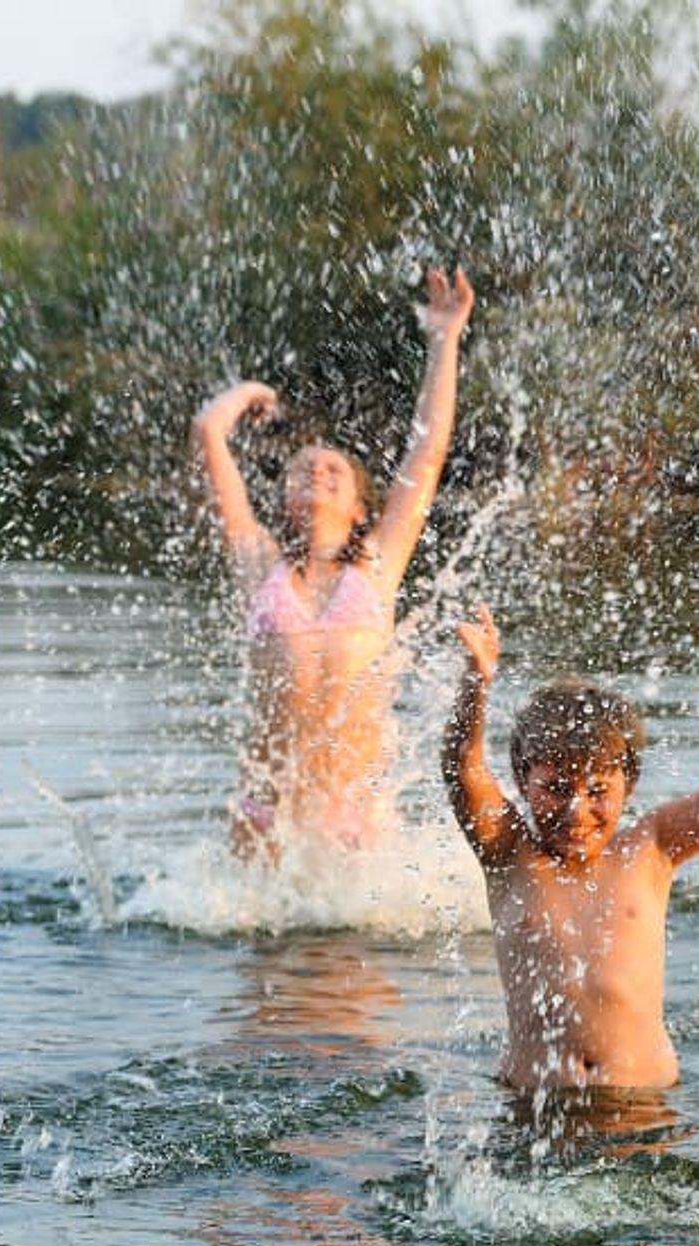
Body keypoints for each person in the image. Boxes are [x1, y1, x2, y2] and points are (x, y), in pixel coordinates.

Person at [192, 266, 474, 857]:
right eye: (302, 468)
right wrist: (248, 393)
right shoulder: (258, 564)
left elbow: (428, 452)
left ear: (360, 507)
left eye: (334, 468)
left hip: (357, 818)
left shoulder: (377, 566)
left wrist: (445, 339)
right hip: (267, 814)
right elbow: (208, 432)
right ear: (283, 500)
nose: (317, 470)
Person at [442, 603, 699, 1094]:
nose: (576, 810)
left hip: (643, 1107)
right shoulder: (508, 853)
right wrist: (475, 685)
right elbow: (463, 768)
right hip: (532, 1107)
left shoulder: (651, 849)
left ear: (629, 784)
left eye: (598, 790)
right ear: (522, 779)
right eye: (555, 788)